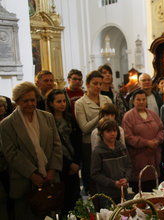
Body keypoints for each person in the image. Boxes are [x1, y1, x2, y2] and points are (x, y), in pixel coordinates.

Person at [0, 82, 62, 219]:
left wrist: (52, 169)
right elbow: (11, 154)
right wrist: (33, 175)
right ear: (17, 102)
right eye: (25, 101)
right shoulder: (6, 124)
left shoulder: (47, 117)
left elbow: (56, 145)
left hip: (49, 178)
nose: (30, 103)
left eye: (32, 100)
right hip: (23, 182)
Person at [75, 70, 112, 193]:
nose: (98, 87)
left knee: (108, 173)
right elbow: (84, 128)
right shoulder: (80, 103)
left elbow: (113, 121)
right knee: (94, 177)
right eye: (95, 83)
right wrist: (101, 115)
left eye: (100, 84)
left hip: (108, 141)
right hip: (90, 144)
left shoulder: (106, 99)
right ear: (87, 84)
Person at [122, 89, 164, 192]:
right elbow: (128, 137)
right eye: (138, 100)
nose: (141, 102)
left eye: (143, 99)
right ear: (133, 101)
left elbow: (161, 129)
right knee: (141, 189)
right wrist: (146, 142)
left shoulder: (153, 114)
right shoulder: (128, 116)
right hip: (138, 158)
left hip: (154, 157)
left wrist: (157, 140)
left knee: (155, 188)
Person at [46, 89, 81, 214]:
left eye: (64, 101)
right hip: (60, 165)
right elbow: (52, 147)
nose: (62, 104)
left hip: (74, 162)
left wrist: (76, 162)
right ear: (51, 103)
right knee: (63, 200)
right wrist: (69, 164)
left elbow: (77, 141)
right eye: (58, 101)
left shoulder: (70, 119)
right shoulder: (48, 122)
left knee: (75, 199)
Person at [91, 118, 132, 208]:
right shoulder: (98, 151)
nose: (113, 133)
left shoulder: (121, 147)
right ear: (102, 133)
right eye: (108, 131)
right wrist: (113, 183)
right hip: (106, 194)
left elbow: (129, 165)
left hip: (122, 191)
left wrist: (126, 178)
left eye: (114, 130)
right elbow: (95, 174)